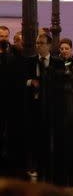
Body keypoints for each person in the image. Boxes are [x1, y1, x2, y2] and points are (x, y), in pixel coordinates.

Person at [25, 32, 65, 181]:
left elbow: (62, 83)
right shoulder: (29, 61)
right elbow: (22, 79)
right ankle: (36, 164)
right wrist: (31, 82)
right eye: (37, 43)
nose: (38, 46)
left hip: (51, 106)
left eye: (41, 43)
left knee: (50, 136)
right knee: (35, 136)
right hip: (34, 104)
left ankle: (50, 165)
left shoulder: (57, 62)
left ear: (49, 45)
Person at [0, 26, 27, 179]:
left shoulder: (14, 53)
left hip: (10, 99)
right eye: (1, 36)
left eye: (5, 35)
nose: (3, 38)